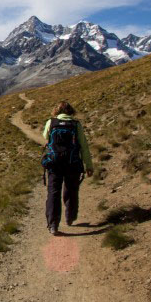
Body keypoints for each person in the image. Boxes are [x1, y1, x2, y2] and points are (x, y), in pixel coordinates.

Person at [41, 101, 93, 235]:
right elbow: (84, 146)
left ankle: (53, 224)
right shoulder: (76, 125)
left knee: (53, 192)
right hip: (72, 163)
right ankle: (70, 217)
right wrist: (89, 165)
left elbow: (45, 137)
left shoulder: (51, 122)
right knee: (71, 190)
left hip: (54, 163)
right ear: (71, 111)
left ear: (57, 111)